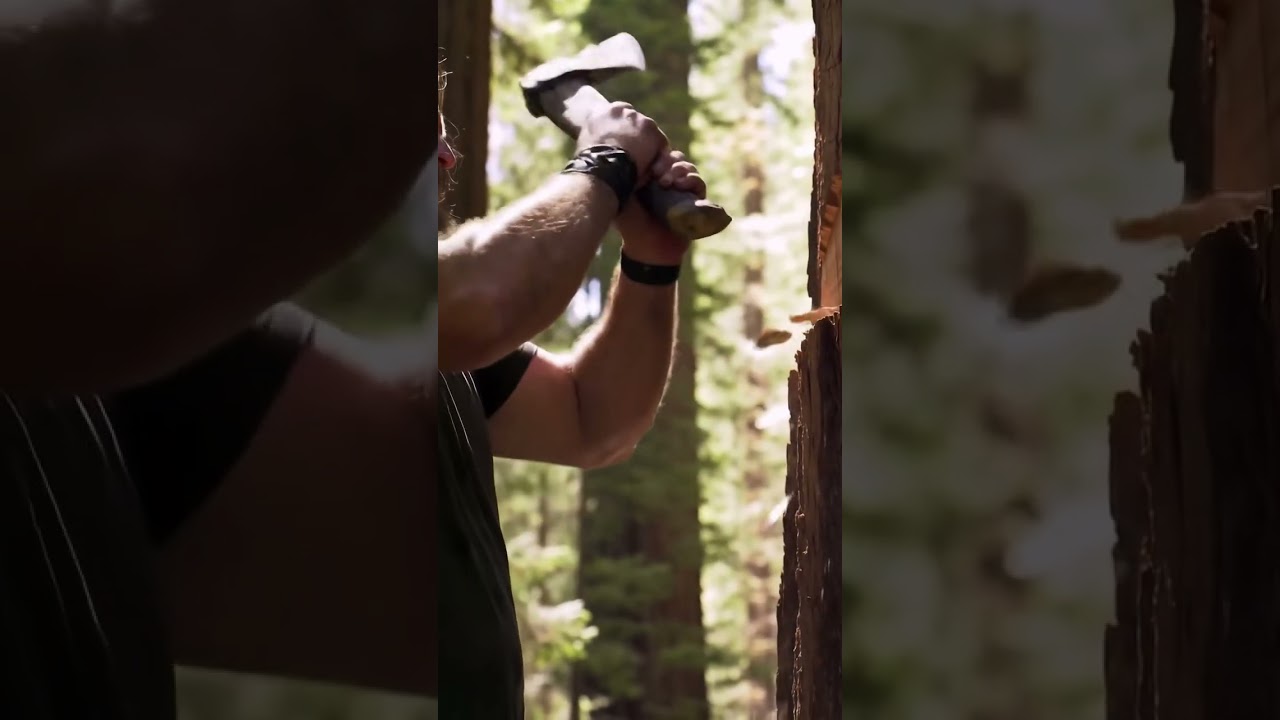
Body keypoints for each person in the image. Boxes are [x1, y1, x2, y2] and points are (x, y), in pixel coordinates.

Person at [436, 76, 706, 716]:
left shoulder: (440, 354)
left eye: (442, 128)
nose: (449, 155)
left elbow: (594, 422)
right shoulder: (278, 285)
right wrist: (605, 162)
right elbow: (483, 298)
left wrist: (651, 258)